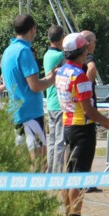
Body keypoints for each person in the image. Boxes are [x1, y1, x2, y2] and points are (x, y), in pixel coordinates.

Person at [55, 32, 109, 216]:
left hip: (67, 125)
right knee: (79, 176)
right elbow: (88, 110)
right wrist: (108, 123)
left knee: (69, 175)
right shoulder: (79, 75)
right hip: (82, 129)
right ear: (82, 51)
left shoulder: (61, 71)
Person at [0, 14, 58, 159]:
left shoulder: (8, 51)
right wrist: (53, 79)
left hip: (16, 112)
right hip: (31, 114)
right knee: (40, 162)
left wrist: (48, 77)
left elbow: (22, 83)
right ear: (33, 29)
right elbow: (35, 86)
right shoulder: (24, 51)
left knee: (23, 163)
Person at [42, 25, 67, 173]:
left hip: (50, 102)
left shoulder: (47, 55)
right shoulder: (60, 56)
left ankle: (50, 171)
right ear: (61, 38)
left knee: (51, 141)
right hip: (60, 103)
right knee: (60, 141)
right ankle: (57, 173)